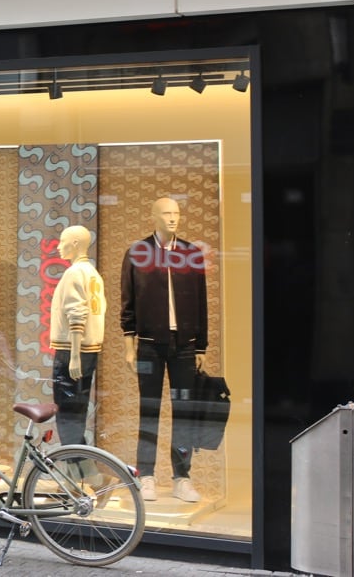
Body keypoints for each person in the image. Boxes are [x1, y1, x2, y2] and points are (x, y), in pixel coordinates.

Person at [121, 197, 207, 503]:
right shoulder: (138, 252)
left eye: (176, 213)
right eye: (166, 213)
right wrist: (129, 346)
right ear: (154, 216)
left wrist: (201, 344)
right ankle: (146, 475)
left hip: (184, 346)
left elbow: (201, 300)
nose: (173, 218)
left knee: (183, 412)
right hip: (148, 345)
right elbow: (128, 301)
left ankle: (182, 477)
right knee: (149, 410)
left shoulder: (191, 253)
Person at [49, 224, 106, 447]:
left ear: (74, 244)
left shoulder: (74, 273)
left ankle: (74, 462)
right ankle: (82, 463)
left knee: (67, 413)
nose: (58, 246)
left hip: (72, 351)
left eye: (62, 241)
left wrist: (73, 355)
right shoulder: (92, 273)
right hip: (89, 350)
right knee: (77, 411)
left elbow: (76, 314)